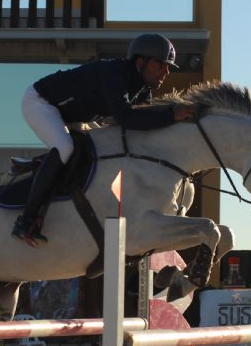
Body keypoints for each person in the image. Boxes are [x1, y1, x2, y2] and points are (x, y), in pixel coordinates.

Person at [12, 33, 196, 246]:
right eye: (160, 65)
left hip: (70, 116)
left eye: (168, 67)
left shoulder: (141, 90)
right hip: (41, 102)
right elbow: (126, 118)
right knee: (64, 147)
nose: (165, 73)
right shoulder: (114, 73)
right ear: (140, 61)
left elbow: (143, 125)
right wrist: (172, 114)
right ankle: (25, 220)